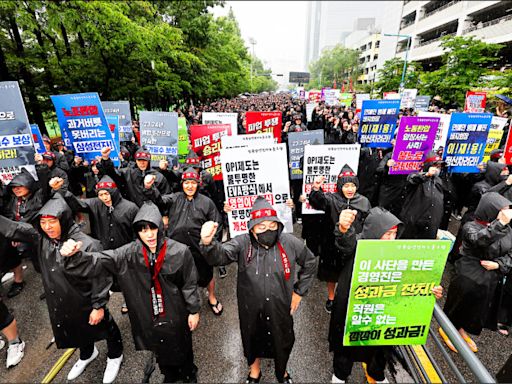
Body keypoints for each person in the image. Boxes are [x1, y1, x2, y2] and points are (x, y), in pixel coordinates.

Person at [60, 202, 201, 383]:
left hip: (176, 310)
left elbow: (189, 284)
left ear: (160, 226)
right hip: (148, 311)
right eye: (142, 230)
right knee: (159, 344)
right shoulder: (129, 252)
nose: (149, 234)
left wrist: (194, 311)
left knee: (181, 344)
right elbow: (101, 260)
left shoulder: (179, 251)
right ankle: (169, 374)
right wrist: (76, 256)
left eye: (152, 228)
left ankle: (189, 373)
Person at [200, 196, 317, 383]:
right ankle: (255, 371)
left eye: (272, 225)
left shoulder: (289, 242)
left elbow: (310, 262)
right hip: (250, 307)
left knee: (283, 339)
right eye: (261, 227)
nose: (267, 230)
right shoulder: (242, 243)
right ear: (252, 228)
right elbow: (220, 256)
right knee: (252, 338)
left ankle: (282, 372)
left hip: (280, 306)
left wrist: (298, 292)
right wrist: (208, 243)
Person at [330, 206, 443, 383]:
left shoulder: (398, 253)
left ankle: (376, 373)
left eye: (394, 234)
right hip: (353, 309)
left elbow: (411, 278)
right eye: (387, 233)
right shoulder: (358, 244)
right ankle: (339, 375)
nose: (391, 239)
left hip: (382, 311)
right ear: (374, 231)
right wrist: (343, 229)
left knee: (380, 347)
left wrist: (429, 288)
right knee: (346, 346)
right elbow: (345, 243)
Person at [144, 168, 224, 316]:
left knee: (207, 276)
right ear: (182, 184)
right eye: (186, 183)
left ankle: (211, 298)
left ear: (197, 184)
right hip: (177, 250)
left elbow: (217, 223)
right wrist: (150, 187)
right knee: (179, 277)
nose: (189, 186)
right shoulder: (174, 198)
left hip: (200, 249)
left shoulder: (207, 202)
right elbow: (159, 200)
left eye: (193, 183)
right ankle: (185, 303)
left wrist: (212, 246)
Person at [442, 192, 512, 353]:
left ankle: (462, 330)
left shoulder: (508, 230)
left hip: (490, 276)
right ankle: (448, 329)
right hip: (469, 274)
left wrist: (498, 264)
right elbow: (480, 240)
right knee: (461, 303)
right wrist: (500, 223)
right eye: (503, 210)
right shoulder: (471, 226)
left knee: (477, 308)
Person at [308, 164, 371, 313]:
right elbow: (317, 201)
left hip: (354, 243)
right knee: (331, 273)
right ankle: (331, 298)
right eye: (346, 185)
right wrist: (316, 189)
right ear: (340, 186)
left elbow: (368, 221)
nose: (350, 189)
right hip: (332, 243)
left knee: (351, 272)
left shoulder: (363, 201)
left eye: (353, 185)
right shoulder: (331, 199)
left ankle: (349, 298)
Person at [100, 147, 170, 207]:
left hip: (152, 215)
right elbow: (112, 174)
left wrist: (164, 214)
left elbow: (167, 197)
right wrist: (106, 159)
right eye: (139, 160)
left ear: (149, 161)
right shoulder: (128, 173)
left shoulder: (159, 176)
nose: (142, 163)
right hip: (133, 212)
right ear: (136, 161)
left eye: (145, 160)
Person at [399, 152, 446, 240]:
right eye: (435, 165)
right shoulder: (415, 176)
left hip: (431, 225)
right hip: (414, 225)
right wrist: (426, 175)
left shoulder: (438, 181)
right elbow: (413, 179)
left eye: (439, 166)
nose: (437, 169)